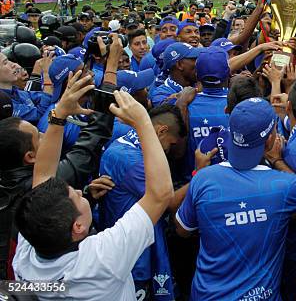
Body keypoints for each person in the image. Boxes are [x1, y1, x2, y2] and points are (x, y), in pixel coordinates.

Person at [12, 75, 174, 301]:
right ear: (77, 226)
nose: (80, 191)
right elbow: (161, 194)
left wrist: (60, 115)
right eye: (76, 197)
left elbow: (43, 175)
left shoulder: (28, 252)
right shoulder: (103, 259)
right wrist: (143, 123)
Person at [176, 98, 296, 300]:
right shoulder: (284, 186)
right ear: (270, 139)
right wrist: (277, 160)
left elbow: (182, 230)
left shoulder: (203, 179)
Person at [99, 104, 188, 300]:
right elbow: (168, 200)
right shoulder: (132, 160)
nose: (169, 150)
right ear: (161, 130)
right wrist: (200, 175)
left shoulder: (124, 144)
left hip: (129, 246)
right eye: (171, 144)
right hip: (135, 258)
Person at [184, 46, 231, 178]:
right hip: (233, 182)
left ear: (197, 75)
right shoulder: (240, 104)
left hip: (194, 182)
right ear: (229, 72)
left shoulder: (184, 104)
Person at [0, 52, 53, 124]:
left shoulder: (17, 92)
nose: (13, 64)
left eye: (9, 60)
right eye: (5, 63)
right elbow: (40, 114)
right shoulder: (4, 104)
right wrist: (46, 74)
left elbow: (49, 97)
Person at [149, 42, 201, 107]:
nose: (199, 62)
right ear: (179, 65)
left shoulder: (201, 84)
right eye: (194, 59)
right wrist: (183, 97)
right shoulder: (160, 94)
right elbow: (169, 112)